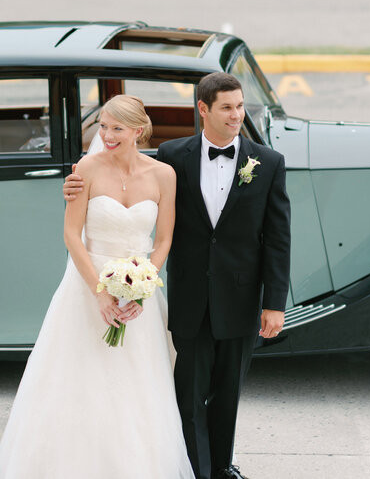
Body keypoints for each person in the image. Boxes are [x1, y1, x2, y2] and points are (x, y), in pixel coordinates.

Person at [65, 73, 291, 479]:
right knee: (188, 395)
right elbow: (124, 171)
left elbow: (278, 238)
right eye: (227, 107)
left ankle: (222, 467)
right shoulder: (172, 156)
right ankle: (198, 472)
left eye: (240, 106)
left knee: (228, 394)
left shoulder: (268, 163)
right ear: (203, 109)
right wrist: (72, 186)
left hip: (241, 297)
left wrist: (275, 303)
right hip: (191, 296)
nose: (236, 115)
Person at [0, 95, 194, 478]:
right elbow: (71, 235)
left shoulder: (164, 175)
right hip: (86, 286)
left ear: (138, 130)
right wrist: (100, 292)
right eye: (102, 126)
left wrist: (142, 289)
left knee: (137, 385)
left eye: (117, 128)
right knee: (79, 380)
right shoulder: (86, 168)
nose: (107, 135)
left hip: (138, 289)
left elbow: (164, 239)